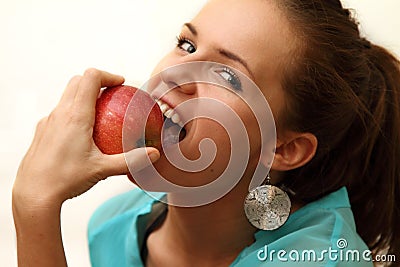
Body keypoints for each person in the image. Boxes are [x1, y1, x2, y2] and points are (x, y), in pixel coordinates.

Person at [12, 0, 400, 266]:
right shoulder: (111, 226)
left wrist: (34, 208)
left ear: (284, 147)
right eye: (186, 44)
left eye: (227, 75)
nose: (173, 76)